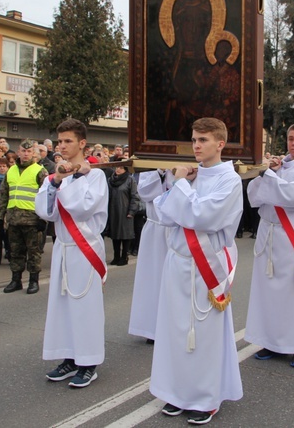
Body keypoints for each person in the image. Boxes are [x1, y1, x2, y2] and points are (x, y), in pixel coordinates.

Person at [151, 117, 243, 425]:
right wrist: (176, 184)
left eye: (202, 140)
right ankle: (177, 393)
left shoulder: (228, 179)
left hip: (205, 267)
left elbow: (202, 216)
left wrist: (179, 186)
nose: (196, 146)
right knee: (176, 331)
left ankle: (206, 398)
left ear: (220, 143)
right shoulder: (190, 176)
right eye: (193, 140)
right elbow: (164, 213)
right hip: (177, 262)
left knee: (203, 335)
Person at [35, 118, 108, 388]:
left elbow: (83, 208)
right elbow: (45, 210)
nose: (62, 146)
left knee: (84, 306)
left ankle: (88, 362)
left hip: (85, 248)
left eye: (68, 141)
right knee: (62, 306)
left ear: (82, 143)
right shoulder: (58, 175)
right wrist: (55, 183)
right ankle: (68, 357)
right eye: (60, 141)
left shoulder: (95, 175)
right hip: (63, 248)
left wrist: (75, 178)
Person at [245, 122, 294, 368]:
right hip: (269, 234)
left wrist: (270, 177)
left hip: (292, 238)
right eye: (290, 139)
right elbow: (254, 197)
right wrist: (265, 174)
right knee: (268, 292)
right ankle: (271, 341)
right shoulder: (278, 167)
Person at [128, 169, 174, 342]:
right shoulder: (150, 167)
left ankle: (172, 325)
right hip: (155, 229)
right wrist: (160, 174)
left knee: (174, 280)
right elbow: (145, 192)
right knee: (152, 278)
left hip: (177, 228)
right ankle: (152, 328)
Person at [0, 139, 48, 294]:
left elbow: (47, 195)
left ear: (34, 154)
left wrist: (43, 218)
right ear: (18, 152)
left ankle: (33, 281)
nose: (26, 154)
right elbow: (3, 194)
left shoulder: (40, 171)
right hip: (13, 219)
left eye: (29, 151)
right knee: (15, 251)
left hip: (32, 219)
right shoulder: (11, 170)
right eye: (23, 151)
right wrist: (0, 216)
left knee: (34, 252)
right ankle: (16, 280)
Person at [107, 165, 139, 266]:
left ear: (125, 170)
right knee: (115, 234)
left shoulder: (130, 180)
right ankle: (116, 256)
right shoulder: (110, 180)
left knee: (125, 234)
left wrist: (132, 211)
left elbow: (135, 196)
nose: (118, 169)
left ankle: (124, 256)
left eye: (121, 167)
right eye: (116, 167)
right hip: (113, 210)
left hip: (125, 210)